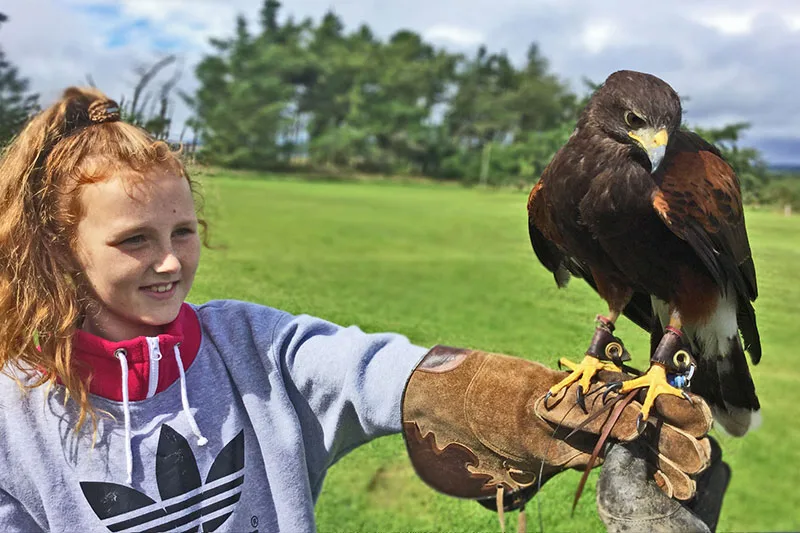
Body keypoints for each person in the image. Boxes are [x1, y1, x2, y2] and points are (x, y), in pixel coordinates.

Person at [0, 87, 718, 533]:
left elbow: (385, 373)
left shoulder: (249, 346)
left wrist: (525, 408)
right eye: (134, 240)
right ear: (60, 248)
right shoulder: (13, 418)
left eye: (182, 232)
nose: (169, 261)